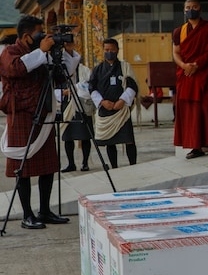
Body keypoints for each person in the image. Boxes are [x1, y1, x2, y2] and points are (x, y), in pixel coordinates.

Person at [0, 15, 70, 229]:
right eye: (40, 33)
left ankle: (45, 210)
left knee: (47, 165)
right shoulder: (10, 52)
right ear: (27, 36)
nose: (44, 37)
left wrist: (56, 57)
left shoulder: (41, 53)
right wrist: (41, 52)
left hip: (43, 111)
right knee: (23, 167)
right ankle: (27, 214)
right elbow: (16, 69)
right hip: (21, 113)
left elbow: (59, 78)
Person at [172, 0, 208, 159]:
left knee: (206, 109)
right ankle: (196, 147)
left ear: (200, 8)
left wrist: (196, 64)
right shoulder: (179, 31)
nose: (190, 10)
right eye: (187, 7)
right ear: (184, 10)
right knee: (189, 112)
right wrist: (184, 66)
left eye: (194, 7)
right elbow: (176, 52)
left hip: (203, 75)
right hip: (186, 75)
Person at [88, 38, 138, 169]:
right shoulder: (97, 70)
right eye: (106, 50)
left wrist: (122, 100)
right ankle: (114, 167)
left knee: (129, 140)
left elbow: (132, 85)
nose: (109, 52)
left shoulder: (125, 67)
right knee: (110, 142)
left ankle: (133, 166)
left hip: (121, 111)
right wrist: (102, 102)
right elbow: (92, 88)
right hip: (106, 109)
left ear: (117, 51)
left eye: (112, 50)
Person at [59, 40, 94, 172]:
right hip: (67, 106)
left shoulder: (85, 70)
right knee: (68, 137)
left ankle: (85, 162)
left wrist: (73, 89)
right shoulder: (60, 70)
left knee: (85, 136)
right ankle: (71, 163)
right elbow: (55, 88)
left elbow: (88, 87)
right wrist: (63, 92)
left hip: (81, 106)